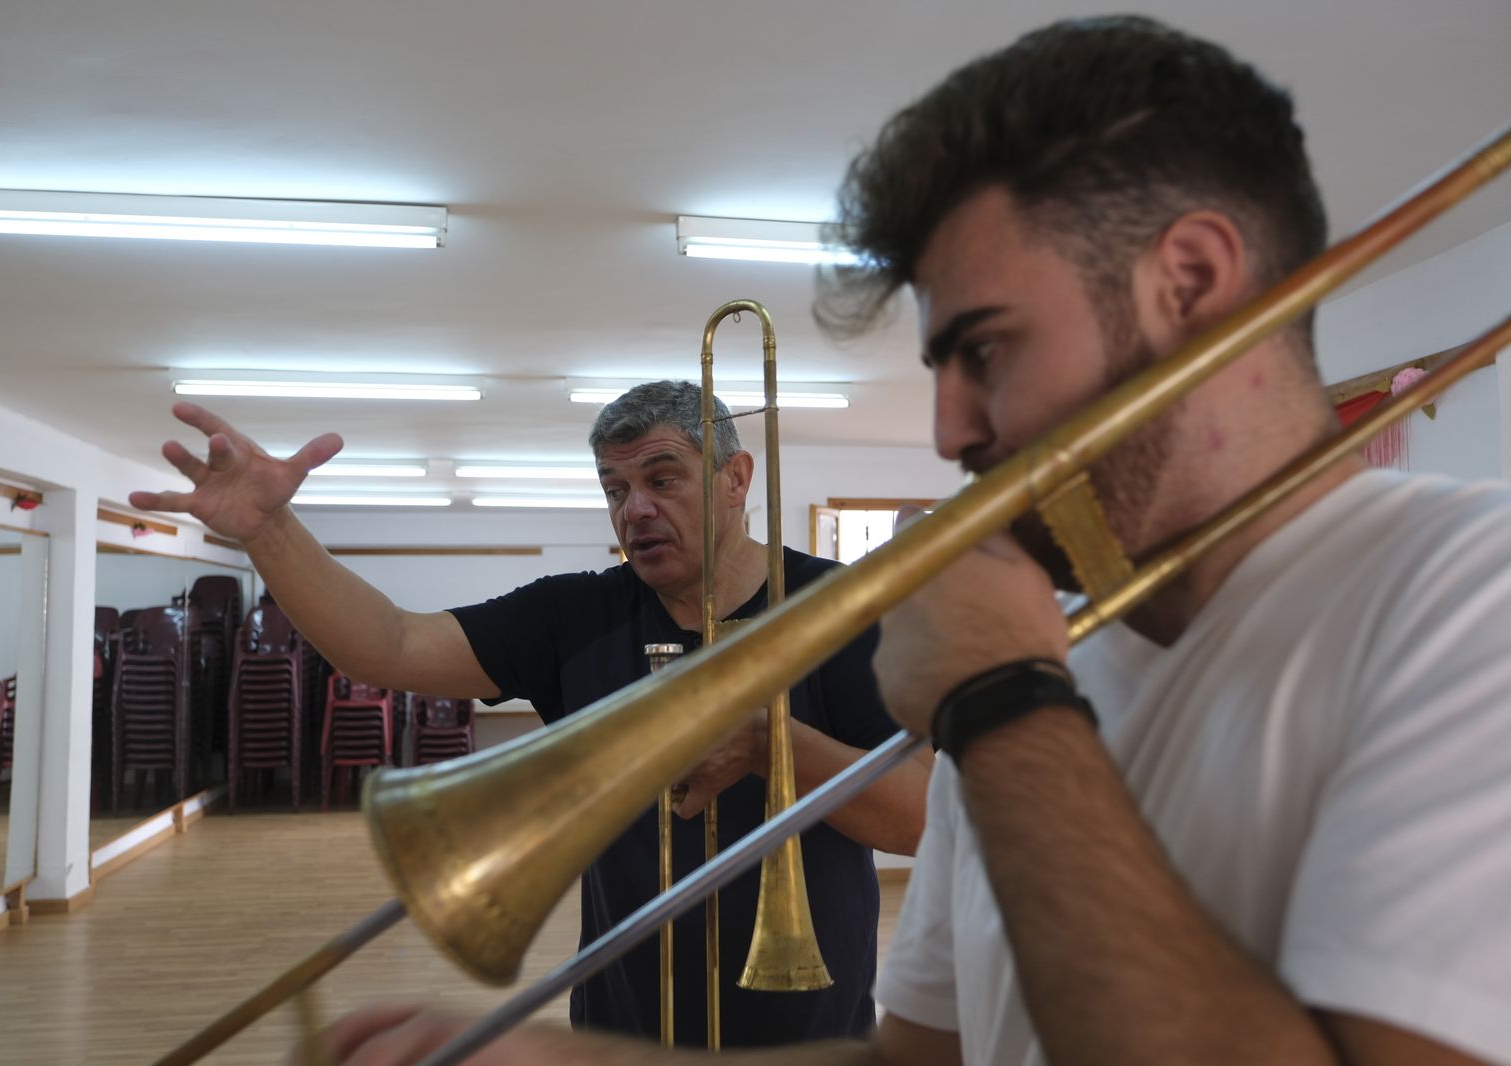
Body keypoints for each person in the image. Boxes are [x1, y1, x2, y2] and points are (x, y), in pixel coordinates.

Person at [305, 14, 1511, 1066]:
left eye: (983, 349)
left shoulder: (1467, 597)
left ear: (1188, 283)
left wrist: (999, 704)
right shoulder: (1059, 658)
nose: (946, 430)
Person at [132, 380, 931, 1048]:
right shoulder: (575, 616)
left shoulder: (844, 609)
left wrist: (769, 743)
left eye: (663, 478)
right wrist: (270, 533)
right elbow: (392, 644)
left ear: (737, 478)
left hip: (813, 1035)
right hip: (615, 1033)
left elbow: (918, 819)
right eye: (615, 490)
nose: (635, 510)